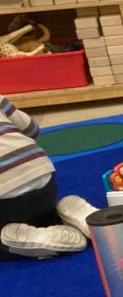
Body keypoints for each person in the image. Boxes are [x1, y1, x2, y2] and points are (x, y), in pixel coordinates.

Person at [0, 94, 96, 260]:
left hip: (6, 198)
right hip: (42, 176)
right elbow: (32, 130)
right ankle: (63, 217)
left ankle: (21, 241)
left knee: (7, 232)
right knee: (36, 212)